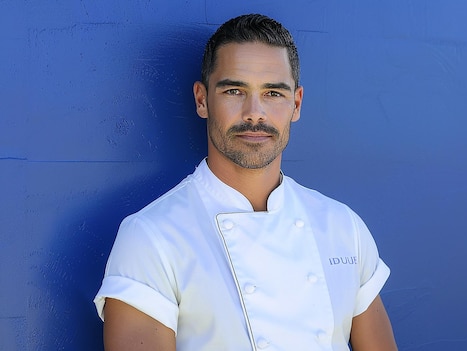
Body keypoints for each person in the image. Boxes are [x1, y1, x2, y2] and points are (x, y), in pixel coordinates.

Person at [94, 13, 397, 351]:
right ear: (202, 99)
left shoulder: (343, 227)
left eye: (273, 93)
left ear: (296, 104)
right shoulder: (152, 237)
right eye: (235, 90)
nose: (255, 113)